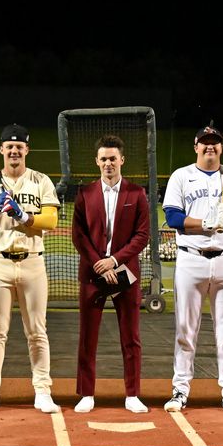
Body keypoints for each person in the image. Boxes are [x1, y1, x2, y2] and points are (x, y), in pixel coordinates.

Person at [161, 125, 223, 413]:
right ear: (196, 147)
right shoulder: (182, 176)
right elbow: (173, 216)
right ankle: (180, 388)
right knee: (185, 329)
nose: (210, 147)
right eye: (205, 143)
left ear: (221, 148)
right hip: (191, 258)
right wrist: (204, 223)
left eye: (215, 143)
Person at [0, 124, 61, 413]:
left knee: (37, 330)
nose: (14, 151)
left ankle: (43, 391)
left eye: (19, 146)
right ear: (2, 151)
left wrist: (23, 216)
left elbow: (51, 221)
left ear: (26, 150)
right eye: (9, 146)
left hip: (33, 261)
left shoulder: (41, 181)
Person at [70, 134, 151, 413]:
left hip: (126, 274)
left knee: (131, 337)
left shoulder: (136, 194)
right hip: (93, 274)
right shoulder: (85, 194)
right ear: (97, 161)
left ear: (122, 160)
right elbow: (78, 236)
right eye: (103, 159)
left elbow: (142, 236)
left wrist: (114, 260)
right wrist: (99, 263)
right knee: (87, 336)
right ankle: (86, 393)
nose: (108, 163)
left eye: (112, 159)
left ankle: (132, 394)